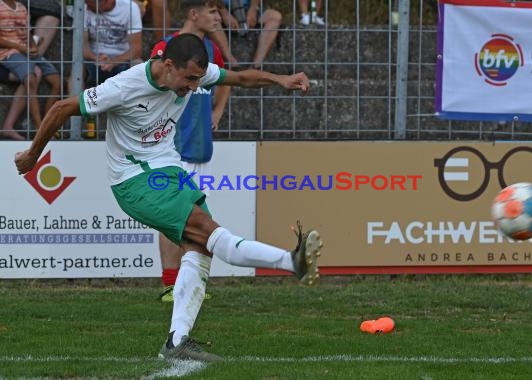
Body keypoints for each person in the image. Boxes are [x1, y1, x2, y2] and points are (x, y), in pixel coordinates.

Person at [15, 33, 323, 362]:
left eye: (197, 79)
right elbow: (63, 107)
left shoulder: (192, 74)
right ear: (168, 65)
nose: (193, 87)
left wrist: (282, 79)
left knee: (201, 248)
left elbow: (241, 77)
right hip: (135, 181)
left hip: (168, 172)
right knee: (208, 231)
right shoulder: (124, 86)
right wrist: (33, 155)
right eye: (189, 79)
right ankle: (291, 262)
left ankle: (177, 342)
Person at [150, 0, 231, 303]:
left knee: (193, 217)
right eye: (213, 12)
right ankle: (171, 284)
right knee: (173, 216)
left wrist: (219, 110)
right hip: (173, 144)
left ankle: (188, 284)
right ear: (193, 14)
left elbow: (226, 80)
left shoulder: (212, 50)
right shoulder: (165, 47)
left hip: (200, 142)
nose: (218, 18)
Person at [0, 0, 61, 140]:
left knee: (56, 79)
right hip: (8, 53)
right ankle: (39, 127)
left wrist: (33, 46)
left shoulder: (21, 7)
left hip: (24, 51)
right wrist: (22, 48)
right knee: (32, 77)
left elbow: (27, 32)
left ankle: (48, 122)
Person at [83, 0, 142, 88]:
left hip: (123, 58)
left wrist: (113, 61)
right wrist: (96, 58)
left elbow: (136, 49)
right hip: (93, 57)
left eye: (91, 5)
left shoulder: (129, 8)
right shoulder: (82, 8)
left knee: (139, 66)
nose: (87, 7)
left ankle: (136, 101)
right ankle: (75, 100)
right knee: (76, 71)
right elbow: (83, 47)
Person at [218, 0, 281, 69]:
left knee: (275, 16)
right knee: (212, 22)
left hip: (246, 8)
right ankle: (232, 64)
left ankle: (256, 65)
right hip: (220, 9)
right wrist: (224, 13)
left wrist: (253, 9)